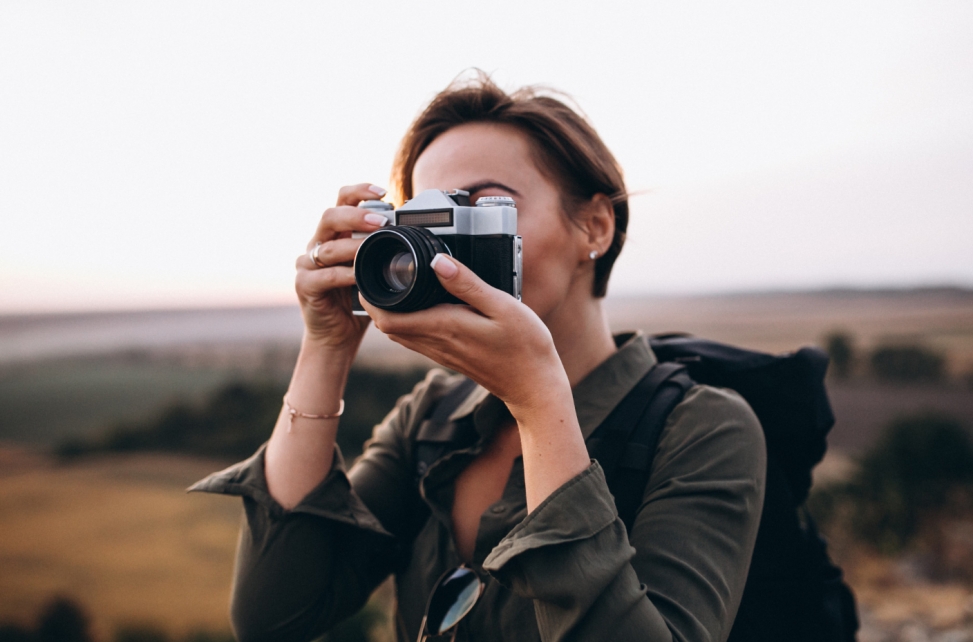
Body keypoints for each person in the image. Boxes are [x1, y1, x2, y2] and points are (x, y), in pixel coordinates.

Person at [191, 73, 766, 642]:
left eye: (485, 207)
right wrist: (327, 343)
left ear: (594, 225)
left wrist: (540, 403)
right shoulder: (434, 416)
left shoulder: (701, 426)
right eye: (428, 219)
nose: (446, 248)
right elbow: (275, 615)